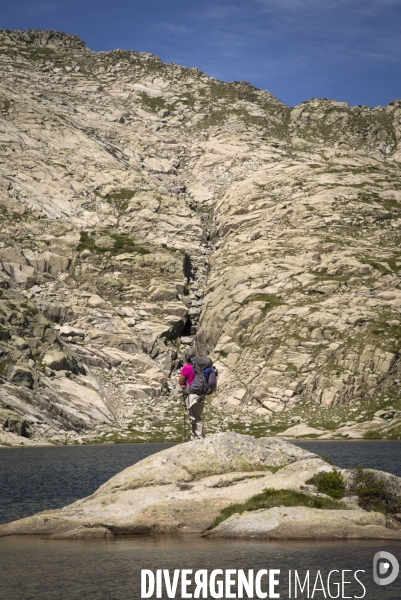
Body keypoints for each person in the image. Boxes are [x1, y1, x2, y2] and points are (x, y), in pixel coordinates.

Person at [178, 347, 205, 440]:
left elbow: (180, 381)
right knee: (197, 416)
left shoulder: (187, 367)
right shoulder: (200, 367)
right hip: (201, 394)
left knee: (193, 417)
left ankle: (198, 438)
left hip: (192, 394)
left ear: (186, 357)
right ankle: (197, 437)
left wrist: (184, 385)